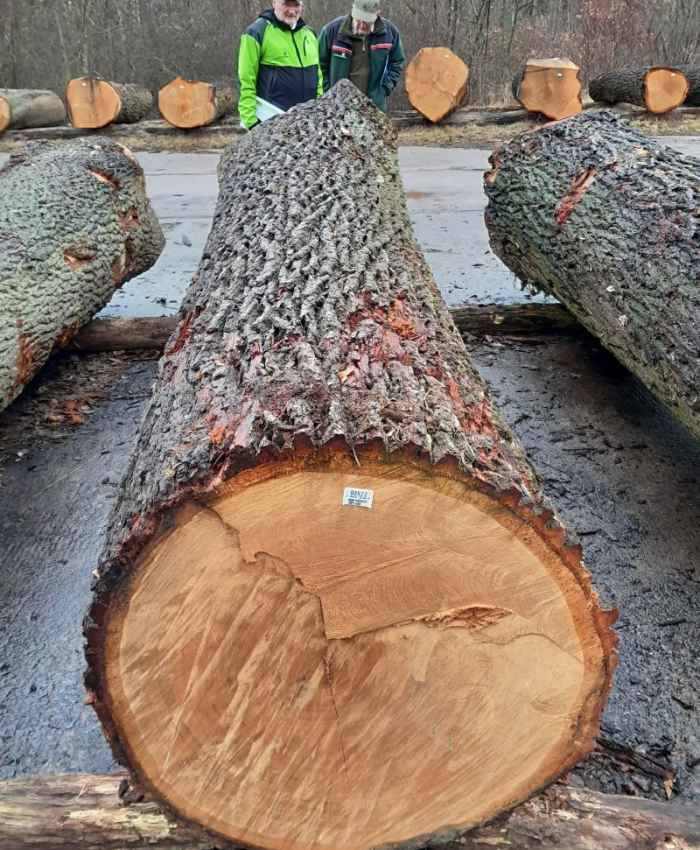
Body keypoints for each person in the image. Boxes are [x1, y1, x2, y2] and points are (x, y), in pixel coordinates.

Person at [238, 0, 323, 130]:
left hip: (306, 125)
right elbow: (245, 80)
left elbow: (318, 77)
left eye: (296, 5)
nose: (292, 10)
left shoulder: (310, 34)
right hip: (269, 122)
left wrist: (320, 110)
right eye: (286, 4)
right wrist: (251, 122)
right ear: (274, 3)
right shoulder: (256, 32)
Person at [318, 0, 405, 112]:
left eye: (367, 21)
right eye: (359, 19)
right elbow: (319, 66)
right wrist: (329, 92)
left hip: (374, 107)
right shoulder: (331, 31)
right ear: (353, 10)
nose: (362, 25)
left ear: (378, 14)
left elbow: (397, 62)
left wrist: (384, 89)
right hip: (338, 107)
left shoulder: (389, 33)